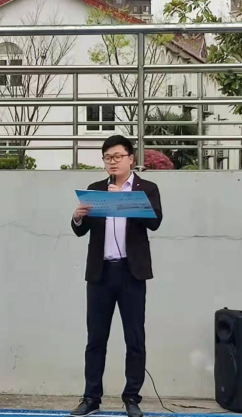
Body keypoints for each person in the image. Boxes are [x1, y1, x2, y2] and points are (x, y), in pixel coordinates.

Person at [70, 135, 163, 418]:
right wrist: (78, 216)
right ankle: (91, 397)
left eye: (117, 156)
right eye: (107, 158)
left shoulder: (147, 189)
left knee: (134, 338)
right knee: (96, 339)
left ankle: (132, 397)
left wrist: (123, 201)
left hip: (131, 273)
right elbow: (80, 230)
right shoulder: (96, 190)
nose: (112, 162)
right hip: (100, 273)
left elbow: (155, 222)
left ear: (131, 158)